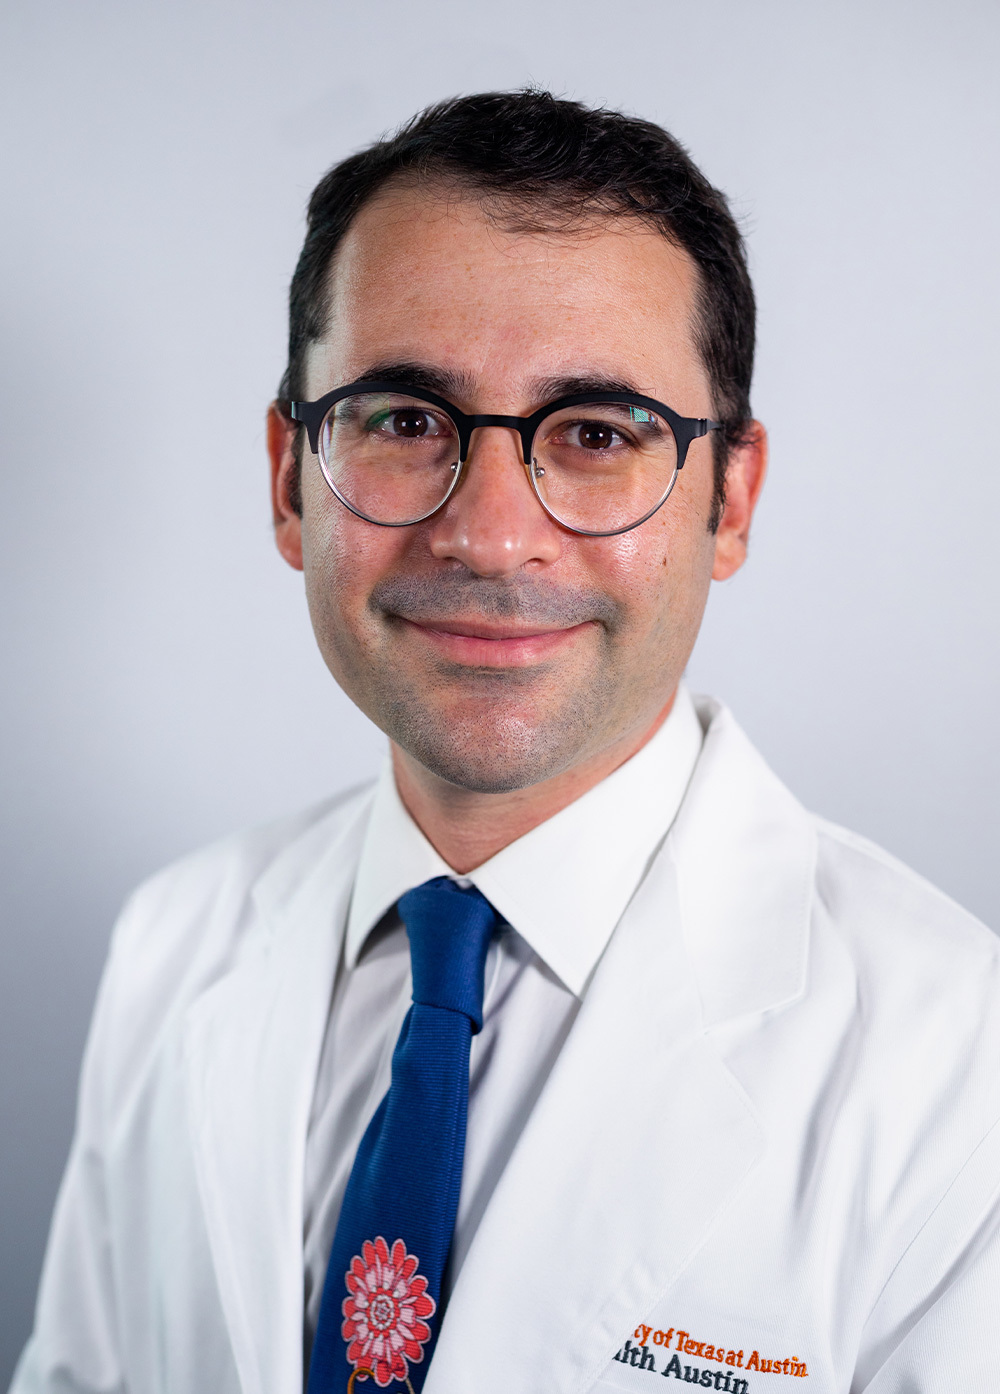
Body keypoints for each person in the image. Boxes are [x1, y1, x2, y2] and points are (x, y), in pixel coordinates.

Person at [11, 90, 1000, 1394]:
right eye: (405, 418)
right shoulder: (171, 945)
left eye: (596, 435)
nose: (487, 530)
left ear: (732, 499)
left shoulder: (960, 1072)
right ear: (287, 478)